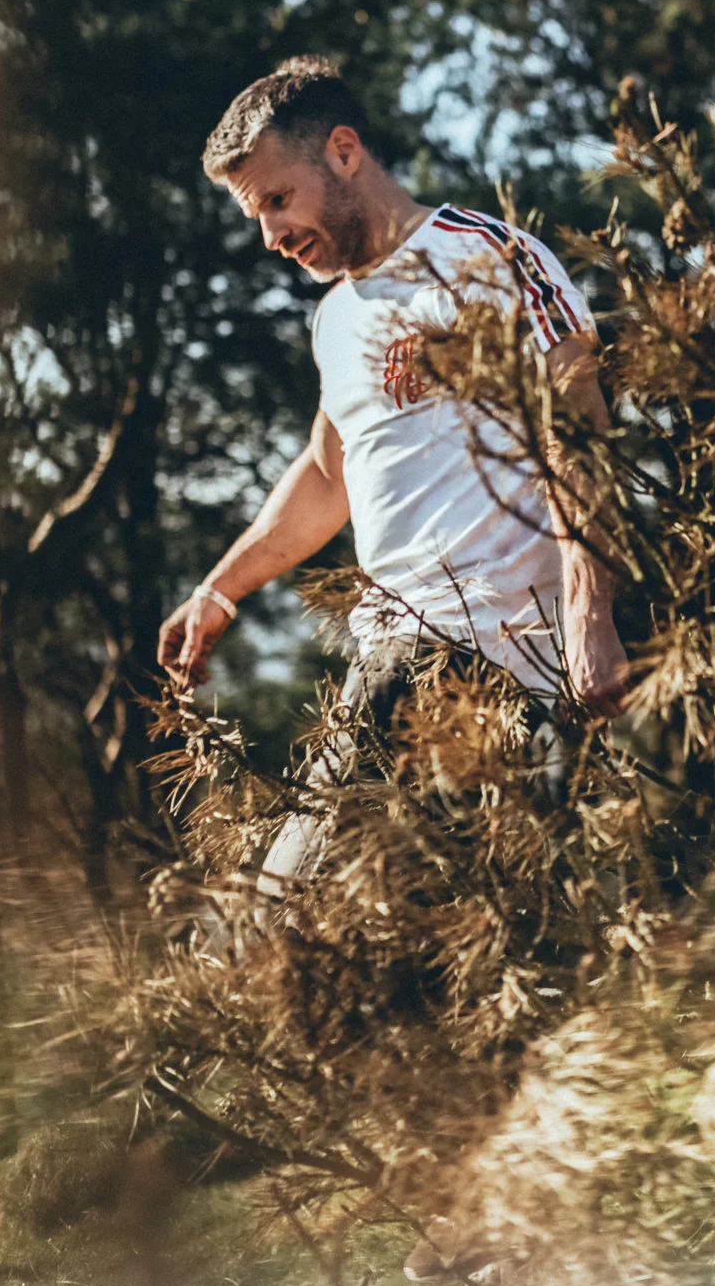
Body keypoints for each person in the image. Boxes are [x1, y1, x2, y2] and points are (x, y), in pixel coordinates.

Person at [155, 57, 629, 897]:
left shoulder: (490, 257)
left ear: (344, 151)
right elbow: (325, 475)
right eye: (256, 214)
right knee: (392, 939)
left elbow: (580, 434)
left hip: (485, 657)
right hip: (390, 662)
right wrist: (219, 590)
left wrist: (593, 617)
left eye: (277, 199)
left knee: (282, 916)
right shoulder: (336, 319)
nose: (270, 234)